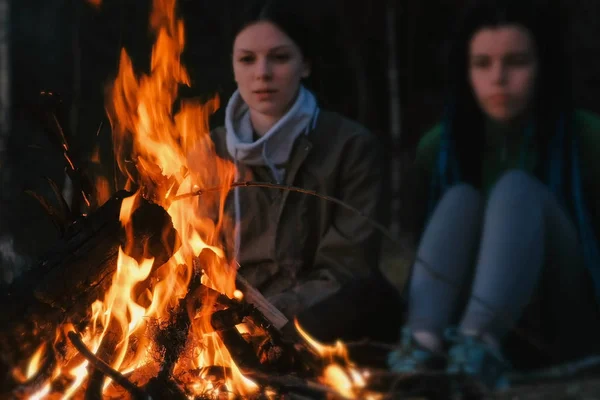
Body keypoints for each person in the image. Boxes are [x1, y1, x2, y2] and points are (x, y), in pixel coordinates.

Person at [390, 0, 600, 389]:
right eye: (482, 64)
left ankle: (477, 349)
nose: (498, 78)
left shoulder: (587, 138)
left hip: (562, 313)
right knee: (460, 199)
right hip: (461, 306)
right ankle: (421, 347)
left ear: (542, 65)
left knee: (515, 191)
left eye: (516, 62)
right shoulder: (439, 148)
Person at [207, 0, 391, 335]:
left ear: (304, 64)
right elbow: (195, 260)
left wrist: (269, 316)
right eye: (247, 59)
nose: (262, 72)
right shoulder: (208, 152)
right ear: (233, 68)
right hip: (228, 326)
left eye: (279, 57)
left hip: (322, 321)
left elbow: (347, 266)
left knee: (373, 298)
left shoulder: (350, 147)